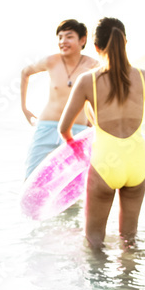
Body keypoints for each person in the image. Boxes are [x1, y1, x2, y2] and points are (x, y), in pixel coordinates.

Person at [59, 18, 145, 249]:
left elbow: (64, 127)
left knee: (94, 240)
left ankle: (99, 285)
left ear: (96, 47)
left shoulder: (88, 80)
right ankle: (130, 284)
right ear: (125, 43)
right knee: (129, 240)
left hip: (104, 163)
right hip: (137, 162)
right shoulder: (144, 77)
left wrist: (77, 151)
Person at [20, 19, 98, 179]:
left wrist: (93, 120)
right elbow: (25, 72)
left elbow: (99, 95)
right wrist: (25, 109)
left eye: (69, 37)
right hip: (47, 126)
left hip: (77, 130)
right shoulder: (51, 61)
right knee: (32, 176)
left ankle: (75, 206)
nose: (63, 41)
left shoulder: (93, 65)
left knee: (73, 181)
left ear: (82, 40)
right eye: (60, 37)